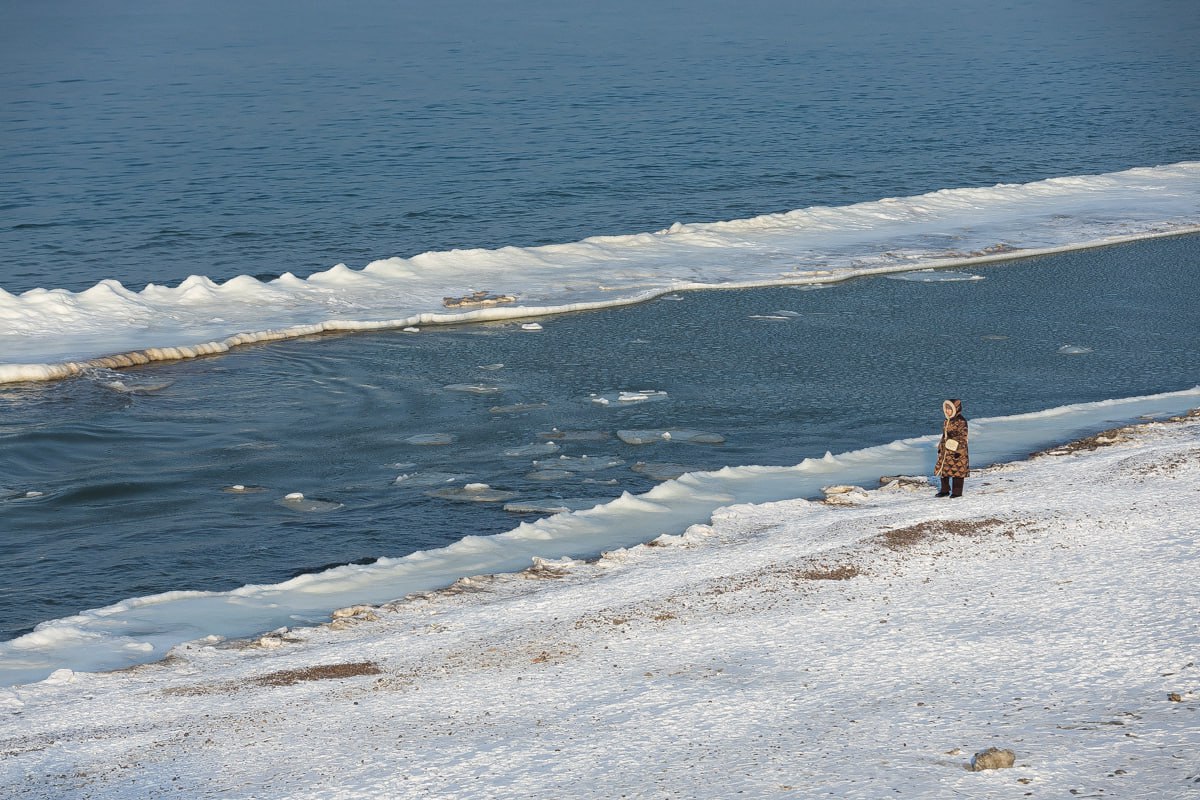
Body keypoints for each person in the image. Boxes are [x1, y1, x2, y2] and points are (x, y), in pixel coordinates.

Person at [935, 398, 969, 497]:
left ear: (955, 409)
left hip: (957, 449)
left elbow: (963, 436)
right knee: (944, 469)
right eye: (946, 409)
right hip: (946, 448)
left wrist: (959, 450)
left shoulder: (961, 421)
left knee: (957, 471)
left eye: (949, 409)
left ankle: (957, 492)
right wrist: (940, 446)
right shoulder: (947, 420)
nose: (947, 411)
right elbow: (944, 435)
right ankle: (945, 490)